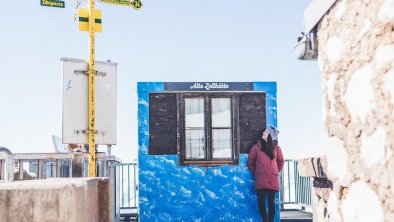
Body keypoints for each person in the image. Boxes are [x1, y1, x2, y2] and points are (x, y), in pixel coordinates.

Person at [247, 126, 284, 222]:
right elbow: (250, 161)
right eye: (264, 132)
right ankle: (265, 220)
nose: (264, 134)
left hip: (273, 179)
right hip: (261, 179)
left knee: (272, 203)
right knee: (261, 203)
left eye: (267, 133)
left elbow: (281, 162)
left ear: (271, 136)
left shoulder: (276, 148)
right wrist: (256, 172)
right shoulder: (256, 147)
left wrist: (275, 171)